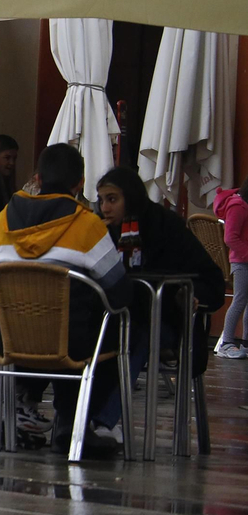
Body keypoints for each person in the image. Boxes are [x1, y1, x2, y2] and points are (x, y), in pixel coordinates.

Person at [0, 143, 132, 454]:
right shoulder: (88, 225)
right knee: (112, 323)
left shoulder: (2, 220)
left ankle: (15, 410)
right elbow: (119, 292)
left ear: (37, 179)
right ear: (80, 183)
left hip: (9, 343)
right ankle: (74, 421)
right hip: (71, 343)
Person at [94, 166, 225, 390]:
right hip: (114, 317)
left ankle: (100, 419)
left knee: (133, 335)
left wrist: (191, 295)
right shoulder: (98, 229)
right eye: (102, 200)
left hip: (165, 321)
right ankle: (73, 416)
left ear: (131, 198)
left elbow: (211, 280)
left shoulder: (165, 225)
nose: (105, 208)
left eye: (112, 199)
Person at [212, 177, 248, 358]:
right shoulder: (238, 206)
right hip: (241, 262)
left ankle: (245, 343)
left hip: (245, 259)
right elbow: (230, 238)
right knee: (240, 300)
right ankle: (226, 342)